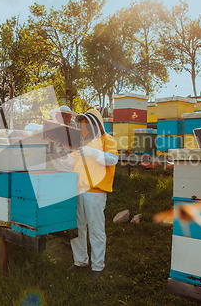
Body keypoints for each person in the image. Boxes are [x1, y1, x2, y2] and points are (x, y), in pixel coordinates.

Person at [67, 108, 118, 280]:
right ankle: (80, 261)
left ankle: (98, 266)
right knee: (77, 228)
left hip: (95, 192)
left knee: (95, 229)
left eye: (86, 125)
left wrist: (91, 152)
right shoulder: (82, 144)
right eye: (81, 125)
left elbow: (113, 159)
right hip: (78, 190)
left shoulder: (106, 139)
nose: (83, 128)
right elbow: (71, 161)